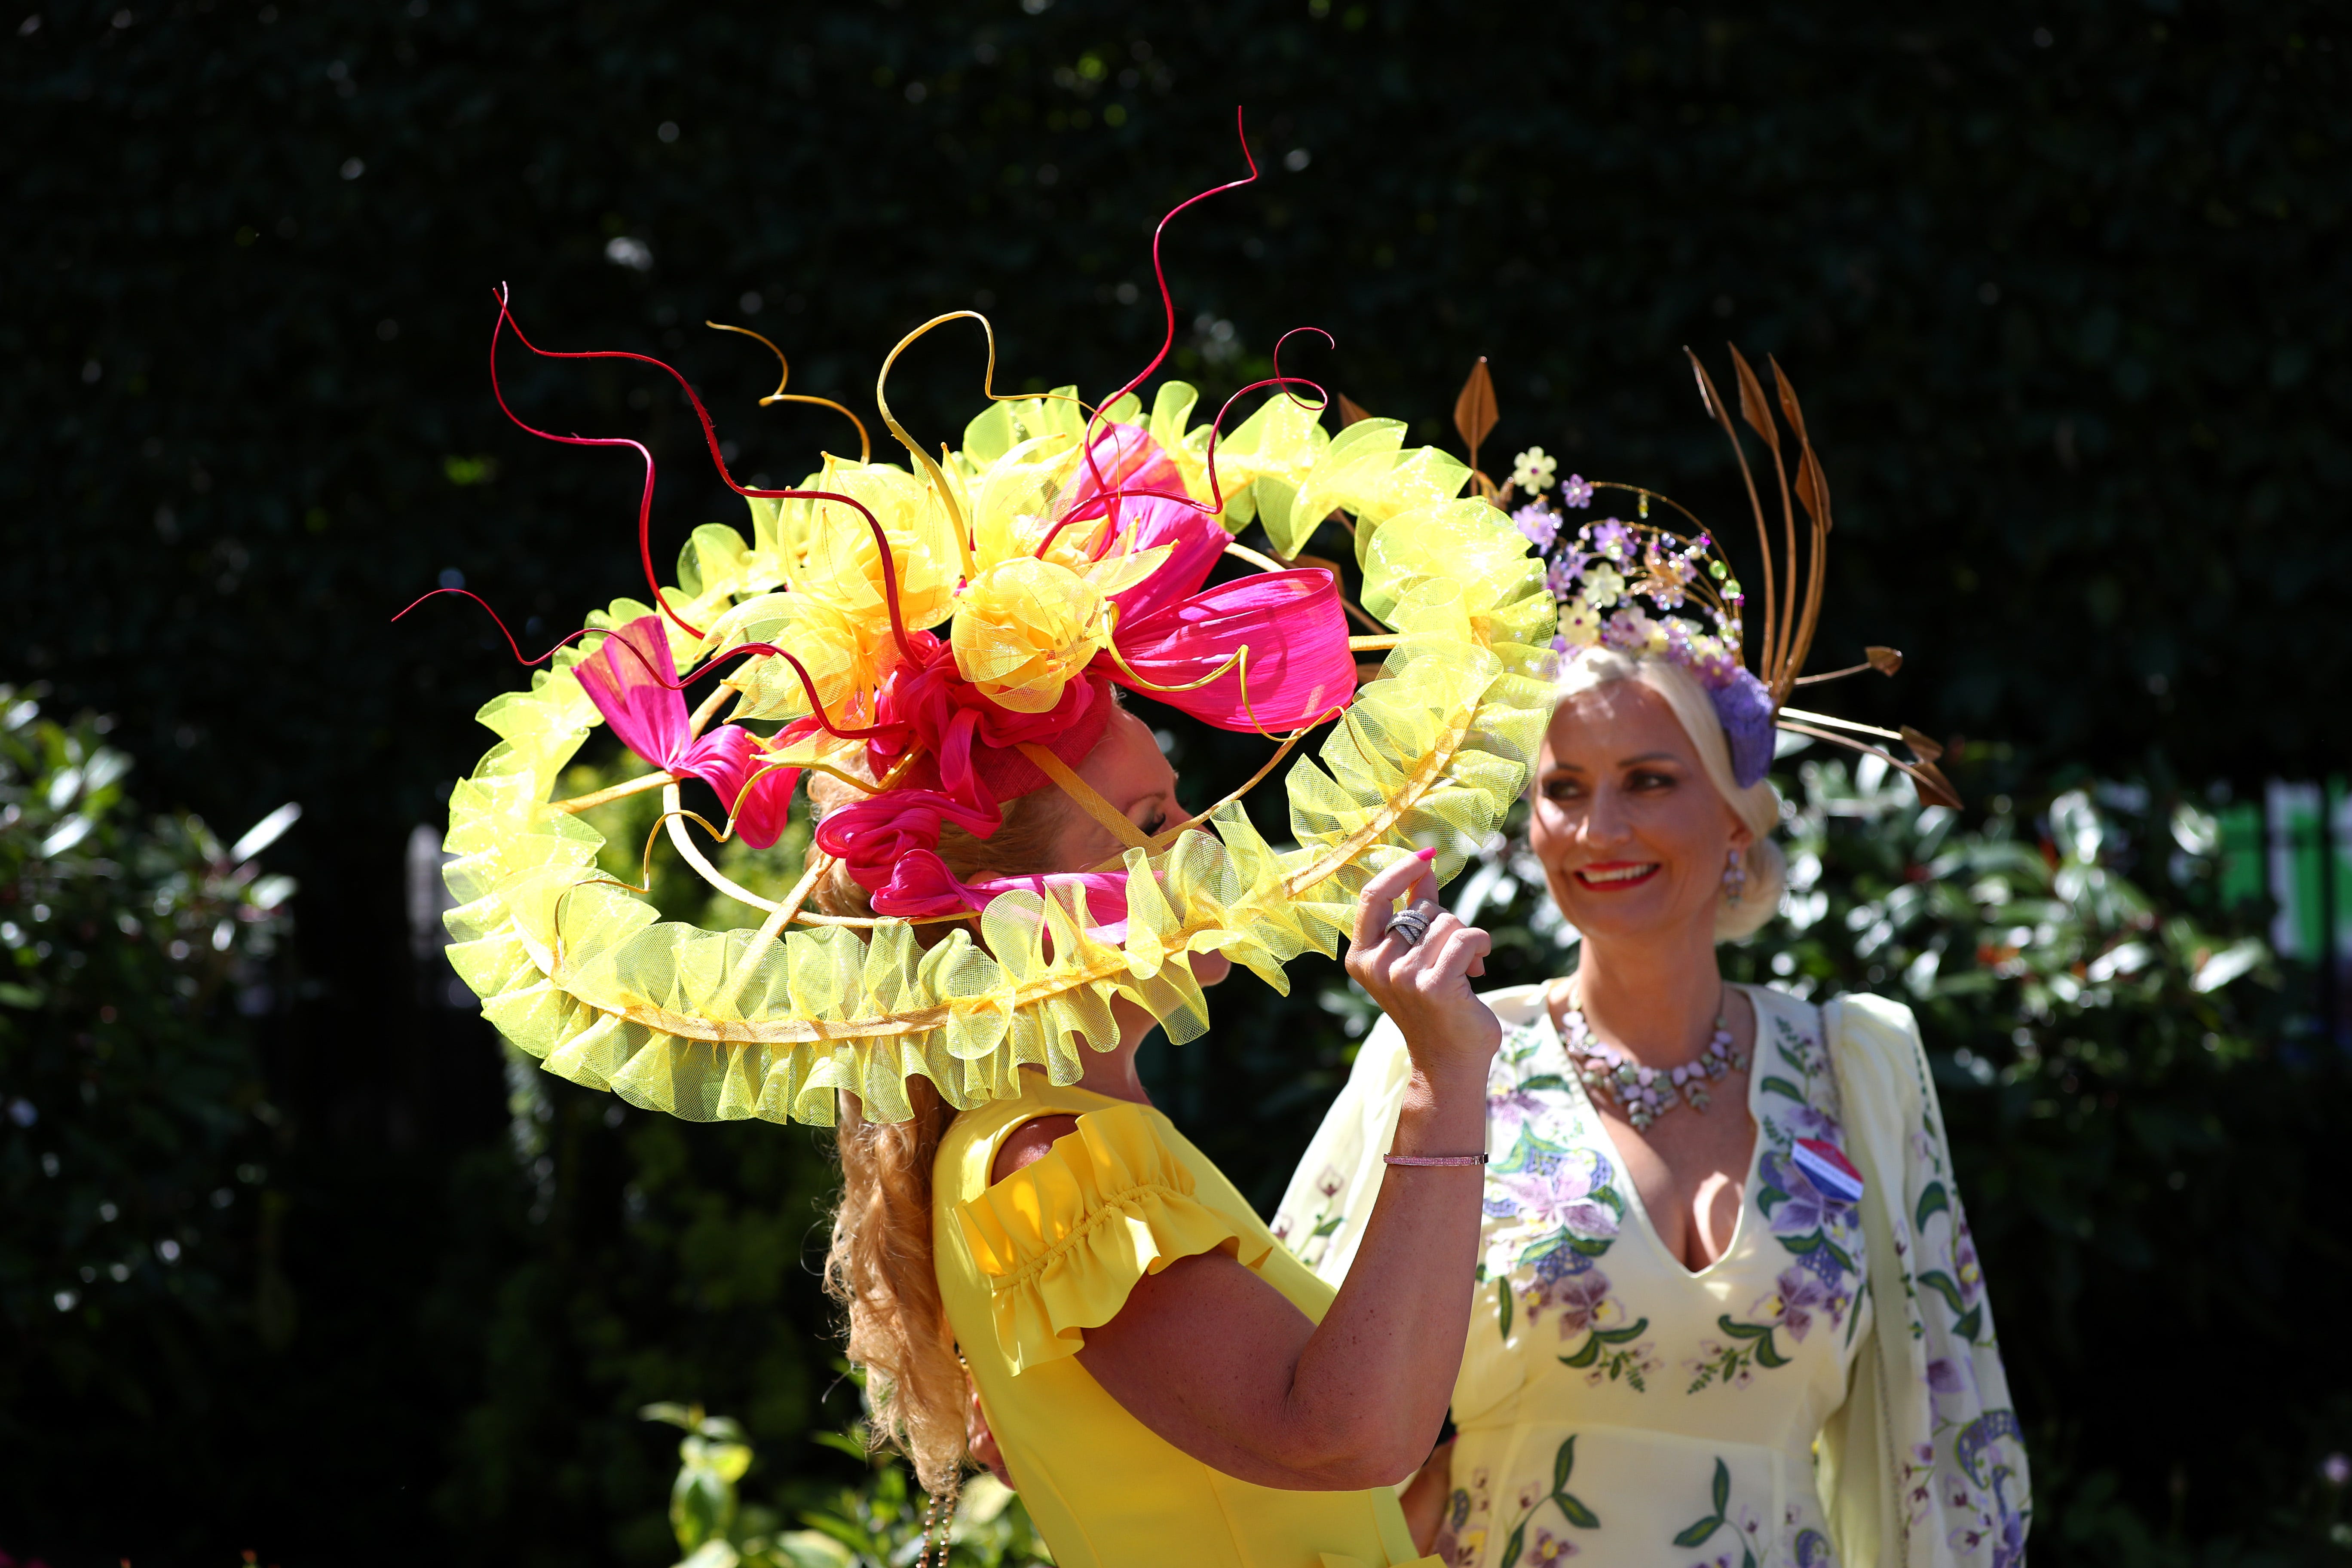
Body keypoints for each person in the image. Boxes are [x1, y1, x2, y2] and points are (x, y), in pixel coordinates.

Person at [442, 288, 1560, 1562]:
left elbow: (1336, 1489)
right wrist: (1442, 1089)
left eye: (1181, 806)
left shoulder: (1073, 1143)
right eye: (1144, 822)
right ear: (1006, 911)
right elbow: (1343, 1438)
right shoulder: (1051, 1167)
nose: (1197, 846)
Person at [1275, 353, 2030, 1568]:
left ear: (1735, 821)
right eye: (1563, 791)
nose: (1597, 831)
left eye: (1648, 783)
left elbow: (1945, 1439)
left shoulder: (1861, 1065)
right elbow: (1304, 1396)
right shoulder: (1455, 1053)